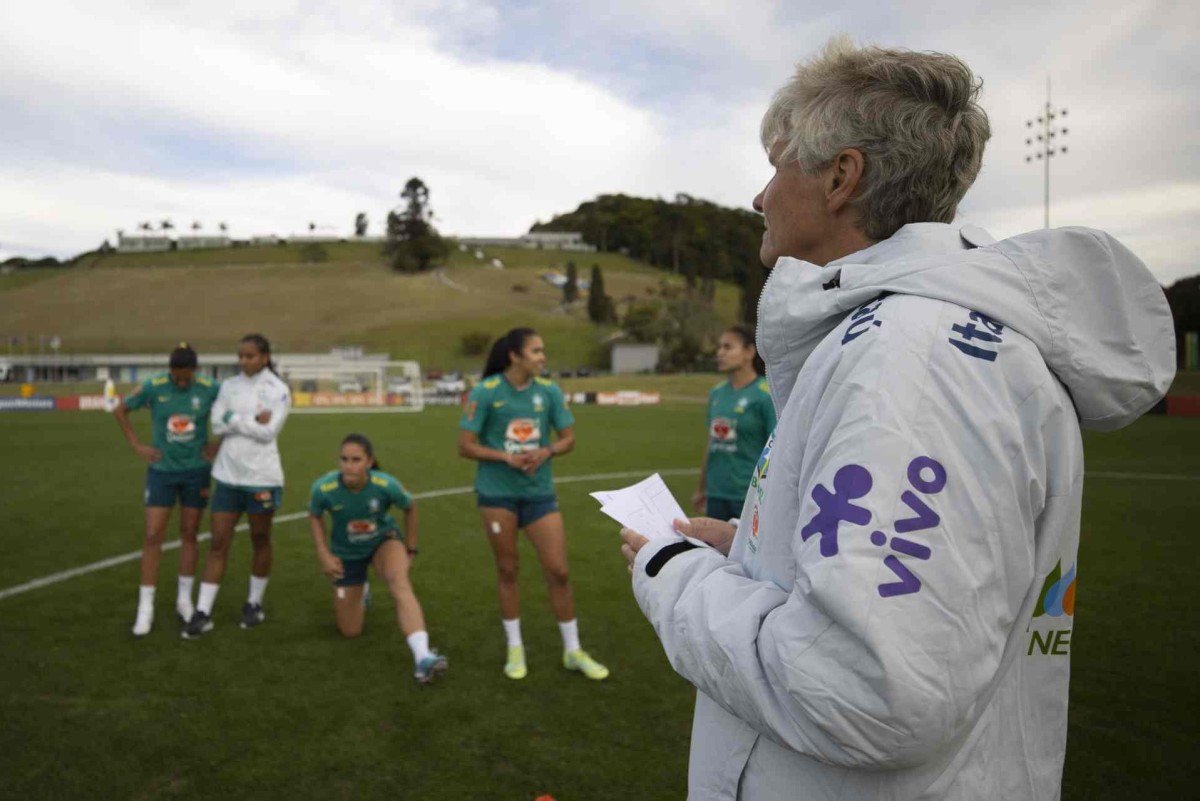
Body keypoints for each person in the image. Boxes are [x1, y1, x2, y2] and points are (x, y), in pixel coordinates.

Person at [619, 38, 1174, 799]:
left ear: (842, 177)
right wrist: (752, 550)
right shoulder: (908, 340)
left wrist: (672, 573)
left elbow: (864, 689)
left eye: (777, 164)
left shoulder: (912, 363)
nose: (759, 196)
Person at [457, 327, 608, 681]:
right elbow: (465, 445)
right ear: (515, 356)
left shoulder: (549, 392)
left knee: (559, 571)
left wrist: (547, 451)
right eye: (537, 351)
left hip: (539, 493)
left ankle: (573, 650)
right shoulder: (487, 391)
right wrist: (505, 458)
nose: (543, 357)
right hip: (497, 494)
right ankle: (515, 647)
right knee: (508, 570)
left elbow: (568, 438)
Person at [308, 434, 448, 683]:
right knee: (351, 631)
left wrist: (411, 548)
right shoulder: (324, 488)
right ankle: (361, 589)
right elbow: (315, 515)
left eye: (356, 459)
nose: (349, 465)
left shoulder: (386, 485)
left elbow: (410, 507)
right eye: (344, 459)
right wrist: (323, 552)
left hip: (383, 542)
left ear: (369, 462)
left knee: (399, 581)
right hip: (347, 554)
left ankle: (423, 656)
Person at [184, 333, 291, 639]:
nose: (244, 361)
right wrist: (248, 419)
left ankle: (254, 603)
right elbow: (216, 424)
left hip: (262, 478)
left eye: (250, 356)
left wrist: (234, 419)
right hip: (228, 476)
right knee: (218, 543)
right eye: (241, 356)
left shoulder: (278, 389)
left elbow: (268, 431)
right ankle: (202, 612)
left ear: (265, 357)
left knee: (260, 540)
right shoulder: (228, 386)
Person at [113, 342, 220, 636]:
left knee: (189, 534)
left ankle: (184, 601)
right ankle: (144, 608)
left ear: (195, 371)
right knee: (152, 535)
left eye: (186, 377)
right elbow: (120, 410)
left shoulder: (210, 388)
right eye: (177, 377)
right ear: (170, 371)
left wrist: (218, 443)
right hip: (161, 472)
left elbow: (230, 416)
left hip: (196, 473)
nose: (181, 382)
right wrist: (137, 446)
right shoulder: (153, 385)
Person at [692, 327, 776, 521]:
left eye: (728, 347)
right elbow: (712, 444)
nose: (720, 353)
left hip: (749, 494)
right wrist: (701, 488)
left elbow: (775, 449)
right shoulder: (717, 393)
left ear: (749, 352)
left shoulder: (765, 394)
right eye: (719, 347)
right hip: (717, 494)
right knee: (713, 551)